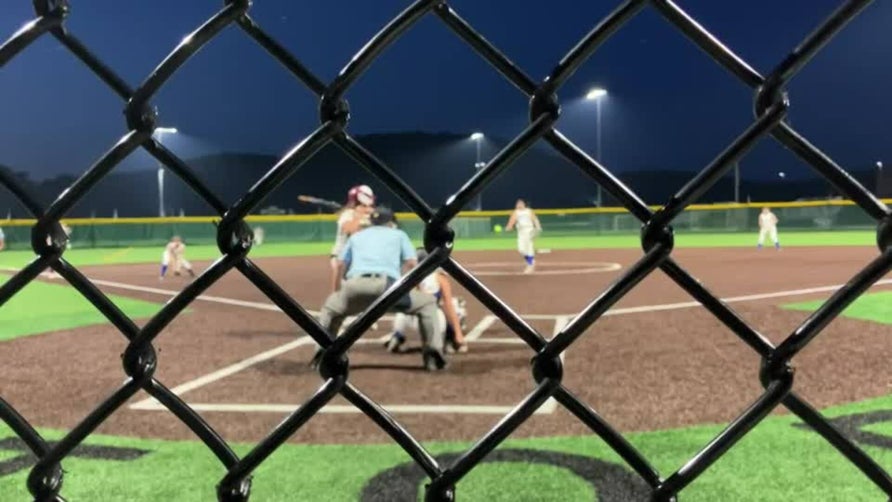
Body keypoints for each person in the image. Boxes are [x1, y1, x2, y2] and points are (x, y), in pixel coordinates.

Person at [312, 207, 448, 372]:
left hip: (355, 287)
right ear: (391, 222)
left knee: (330, 310)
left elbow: (340, 265)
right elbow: (412, 264)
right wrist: (414, 288)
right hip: (387, 288)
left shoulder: (357, 236)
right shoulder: (398, 234)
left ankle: (323, 356)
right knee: (427, 303)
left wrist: (337, 292)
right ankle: (433, 357)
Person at [383, 248, 469, 354]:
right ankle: (448, 340)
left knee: (403, 310)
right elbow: (448, 306)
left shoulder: (410, 277)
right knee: (456, 304)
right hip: (433, 321)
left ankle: (397, 336)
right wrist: (458, 333)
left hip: (411, 322)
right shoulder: (440, 277)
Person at [330, 185, 375, 293]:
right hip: (341, 257)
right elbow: (349, 229)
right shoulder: (347, 214)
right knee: (342, 291)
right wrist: (358, 216)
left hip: (360, 257)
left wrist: (370, 215)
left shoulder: (371, 215)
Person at [505, 199, 542, 273]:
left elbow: (534, 219)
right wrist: (509, 227)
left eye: (520, 203)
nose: (519, 205)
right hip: (521, 233)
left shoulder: (528, 211)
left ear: (524, 204)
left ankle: (530, 265)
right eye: (517, 203)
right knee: (521, 249)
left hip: (529, 231)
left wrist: (538, 227)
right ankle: (531, 261)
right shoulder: (516, 212)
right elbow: (512, 221)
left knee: (529, 248)